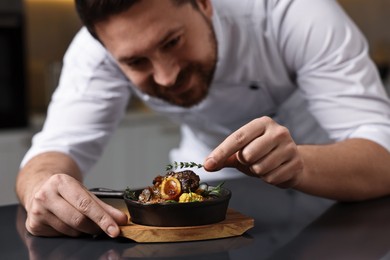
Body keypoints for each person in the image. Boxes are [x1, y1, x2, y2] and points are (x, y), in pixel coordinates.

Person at [16, 0, 390, 238]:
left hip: (337, 181)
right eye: (136, 62)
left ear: (203, 4)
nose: (165, 77)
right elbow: (53, 150)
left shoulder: (292, 12)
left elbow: (383, 153)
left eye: (171, 42)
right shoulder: (97, 50)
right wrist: (43, 190)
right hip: (211, 190)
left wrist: (300, 163)